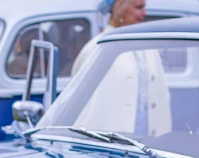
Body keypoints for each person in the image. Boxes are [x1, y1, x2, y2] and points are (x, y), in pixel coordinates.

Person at [72, 0, 171, 137]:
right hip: (109, 147)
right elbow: (79, 104)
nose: (144, 13)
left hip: (149, 147)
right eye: (139, 7)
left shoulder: (148, 46)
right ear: (120, 9)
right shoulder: (98, 48)